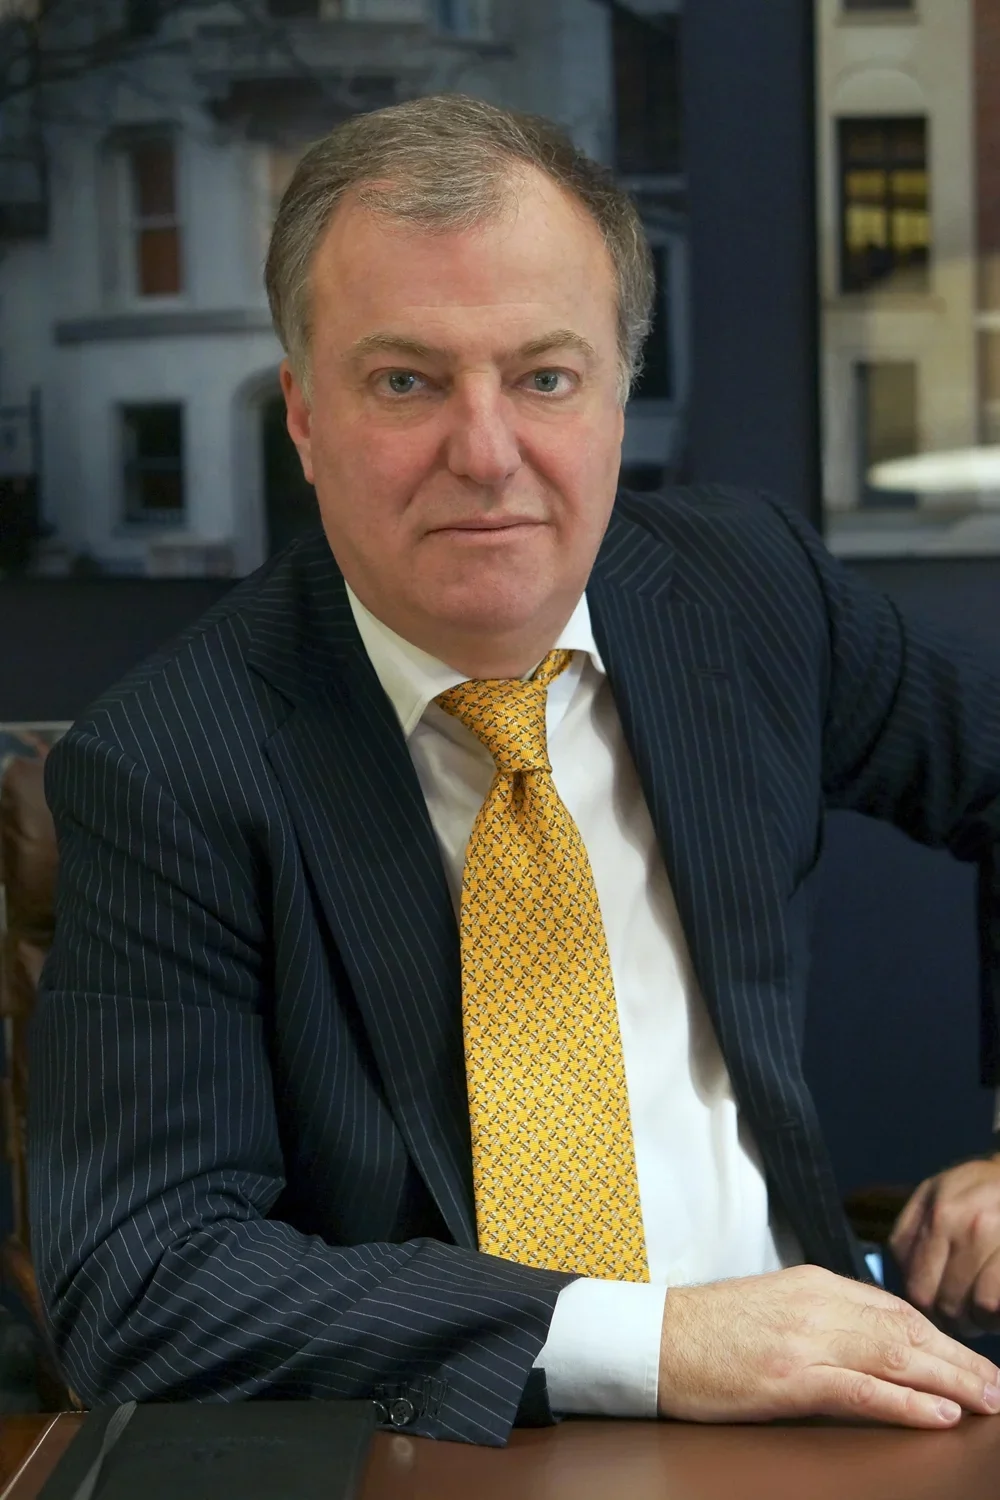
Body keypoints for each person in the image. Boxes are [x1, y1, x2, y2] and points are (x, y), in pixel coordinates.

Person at [28, 95, 1000, 1447]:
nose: (486, 454)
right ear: (303, 414)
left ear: (616, 397)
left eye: (544, 376)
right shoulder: (173, 763)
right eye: (406, 382)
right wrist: (659, 1340)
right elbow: (140, 1283)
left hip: (831, 1420)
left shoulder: (748, 595)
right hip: (460, 1450)